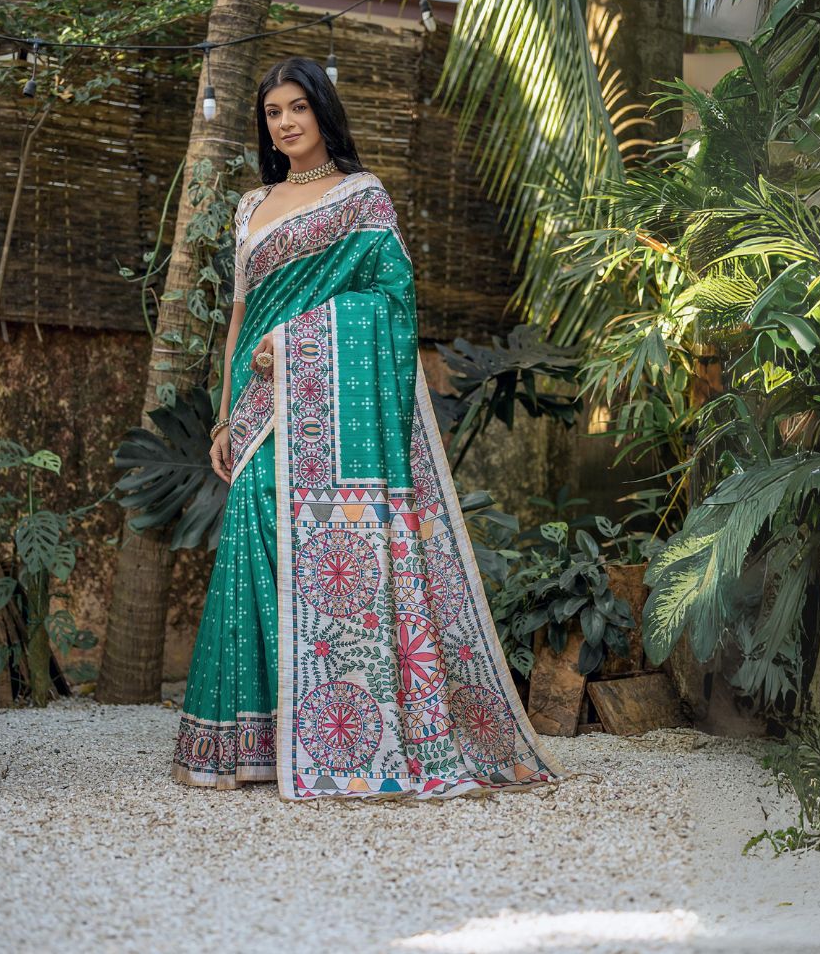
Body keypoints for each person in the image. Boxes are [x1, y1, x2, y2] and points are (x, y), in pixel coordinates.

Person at [171, 55, 564, 801]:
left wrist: (296, 342)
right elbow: (239, 321)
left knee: (312, 551)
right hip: (257, 408)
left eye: (297, 107)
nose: (285, 123)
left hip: (322, 406)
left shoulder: (361, 198)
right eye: (273, 113)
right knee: (253, 533)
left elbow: (389, 304)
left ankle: (332, 733)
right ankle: (254, 739)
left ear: (322, 111)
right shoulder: (252, 205)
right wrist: (223, 414)